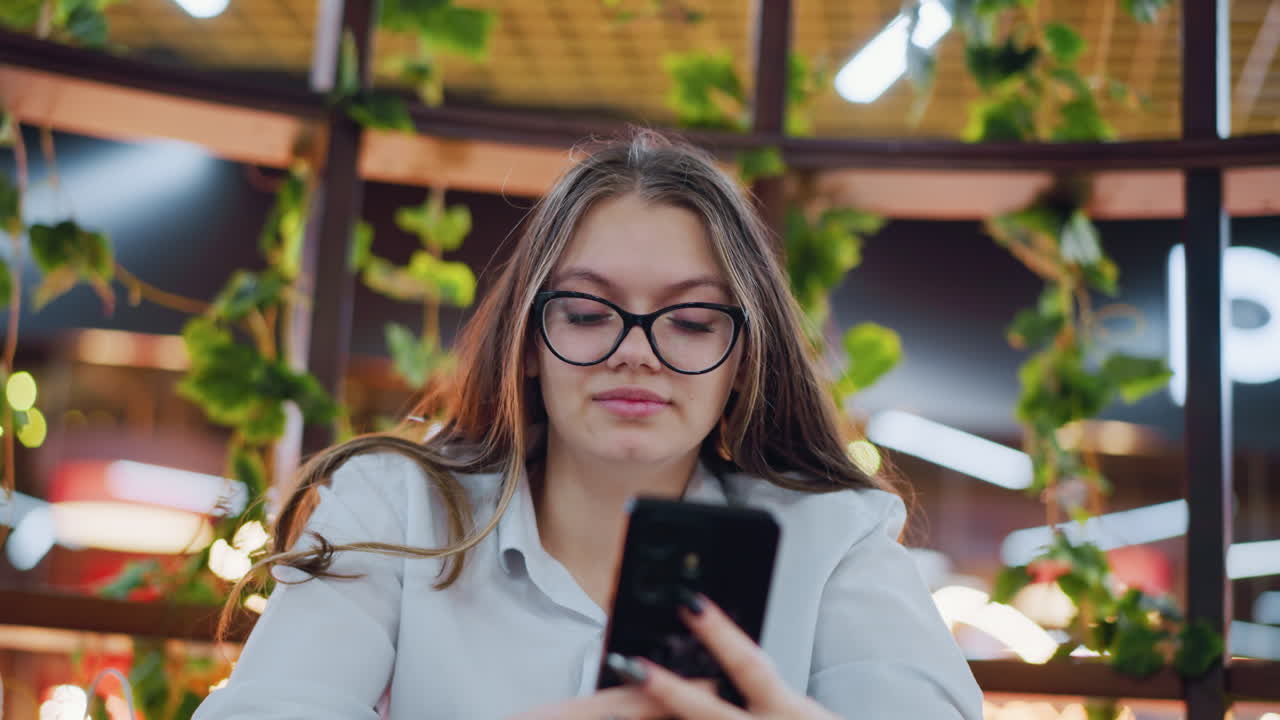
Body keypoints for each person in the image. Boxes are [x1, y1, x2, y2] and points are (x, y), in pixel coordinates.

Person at [193, 130, 983, 720]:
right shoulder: (394, 506)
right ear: (527, 342)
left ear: (745, 356)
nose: (637, 354)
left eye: (693, 320)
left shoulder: (830, 536)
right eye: (584, 310)